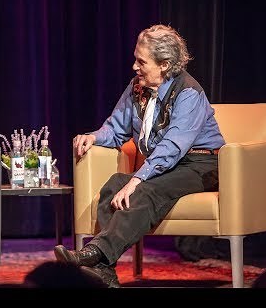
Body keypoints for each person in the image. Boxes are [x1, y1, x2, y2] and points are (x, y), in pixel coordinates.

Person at [53, 24, 225, 288]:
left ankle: (93, 253)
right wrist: (95, 137)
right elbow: (117, 127)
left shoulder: (189, 93)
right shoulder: (138, 87)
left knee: (143, 190)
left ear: (165, 64)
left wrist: (138, 179)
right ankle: (105, 271)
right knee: (113, 186)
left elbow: (172, 147)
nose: (134, 66)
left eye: (141, 61)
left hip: (200, 164)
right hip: (168, 165)